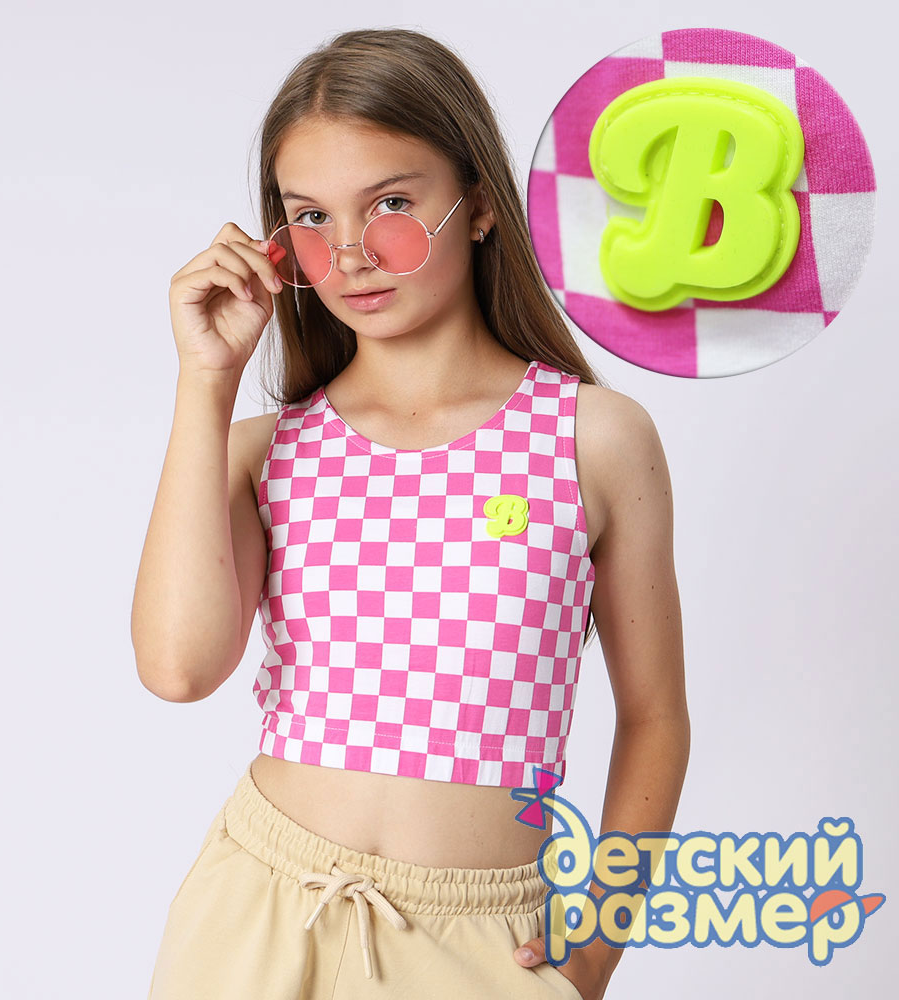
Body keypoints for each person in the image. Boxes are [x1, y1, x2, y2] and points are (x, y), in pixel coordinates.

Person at [132, 26, 690, 1000]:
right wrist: (205, 381)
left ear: (479, 203)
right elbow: (179, 670)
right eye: (312, 217)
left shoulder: (592, 438)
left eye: (392, 203)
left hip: (484, 943)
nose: (351, 253)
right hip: (258, 914)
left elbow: (655, 716)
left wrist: (596, 944)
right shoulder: (262, 451)